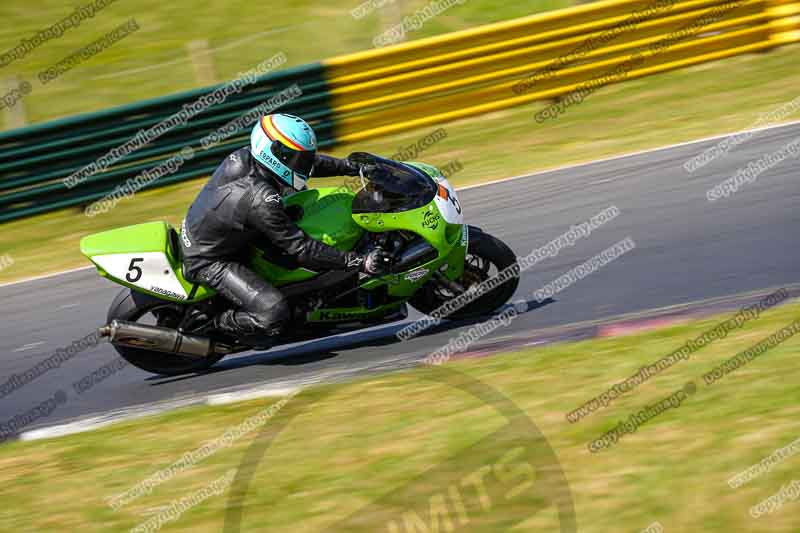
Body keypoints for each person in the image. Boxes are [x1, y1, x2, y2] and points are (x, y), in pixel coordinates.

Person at [180, 113, 391, 346]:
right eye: (296, 157)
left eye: (303, 156)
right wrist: (359, 262)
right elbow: (301, 248)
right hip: (209, 259)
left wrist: (348, 167)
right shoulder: (260, 199)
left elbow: (308, 165)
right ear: (274, 152)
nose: (303, 163)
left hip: (224, 232)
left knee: (300, 204)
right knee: (274, 313)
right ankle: (216, 326)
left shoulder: (249, 157)